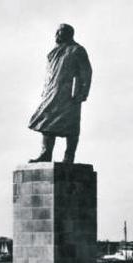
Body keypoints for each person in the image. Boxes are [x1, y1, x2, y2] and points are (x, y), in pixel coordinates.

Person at [28, 23, 92, 164]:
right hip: (52, 93)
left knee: (72, 125)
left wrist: (83, 93)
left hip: (69, 95)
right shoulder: (54, 52)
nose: (56, 35)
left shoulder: (77, 50)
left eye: (59, 32)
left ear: (67, 34)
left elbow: (86, 72)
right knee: (46, 121)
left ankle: (69, 157)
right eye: (56, 32)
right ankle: (46, 154)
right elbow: (50, 74)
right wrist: (45, 91)